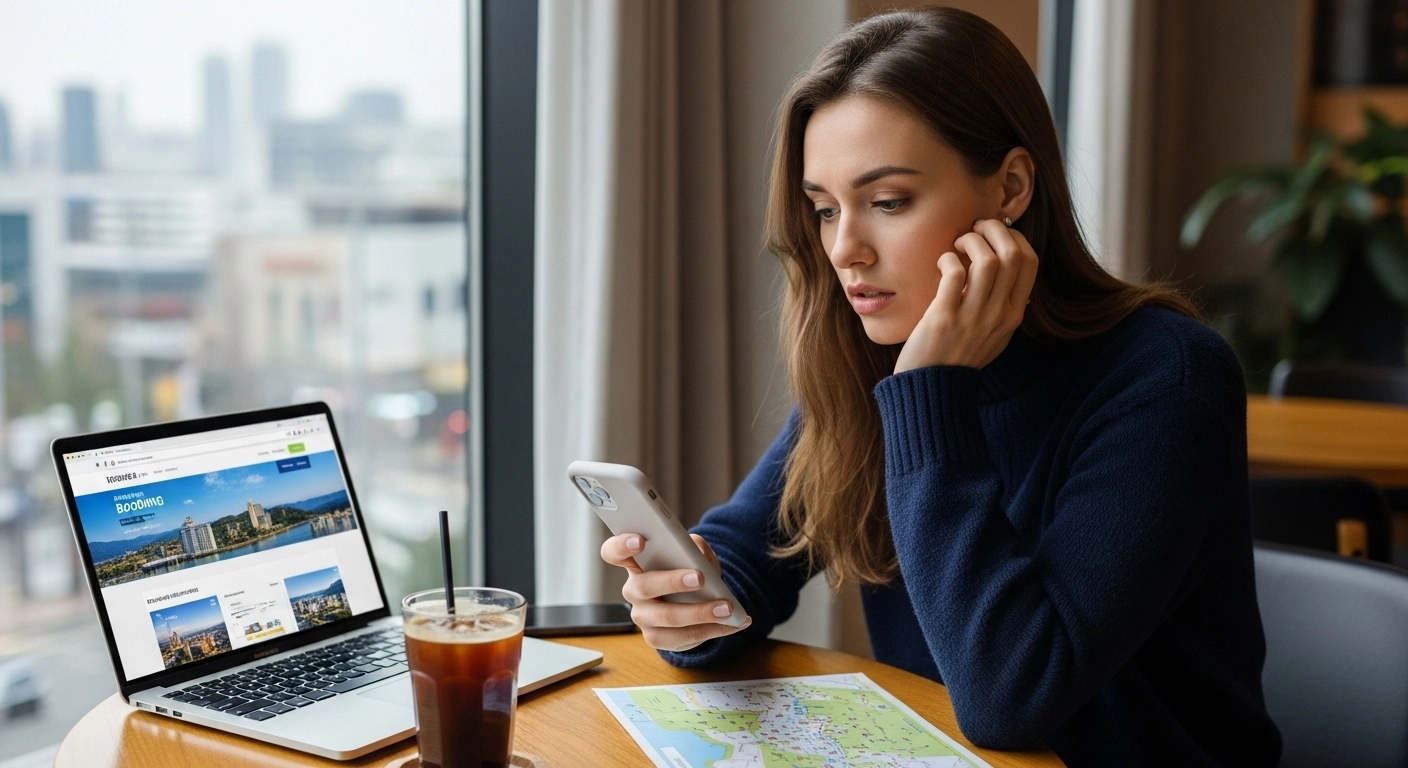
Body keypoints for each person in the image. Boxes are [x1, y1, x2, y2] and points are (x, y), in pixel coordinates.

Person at [600, 7, 1281, 766]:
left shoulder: (1165, 378)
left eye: (887, 202)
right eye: (824, 209)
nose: (845, 249)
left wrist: (932, 389)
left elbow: (1008, 698)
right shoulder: (878, 356)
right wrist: (690, 609)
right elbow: (751, 554)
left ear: (1011, 187)